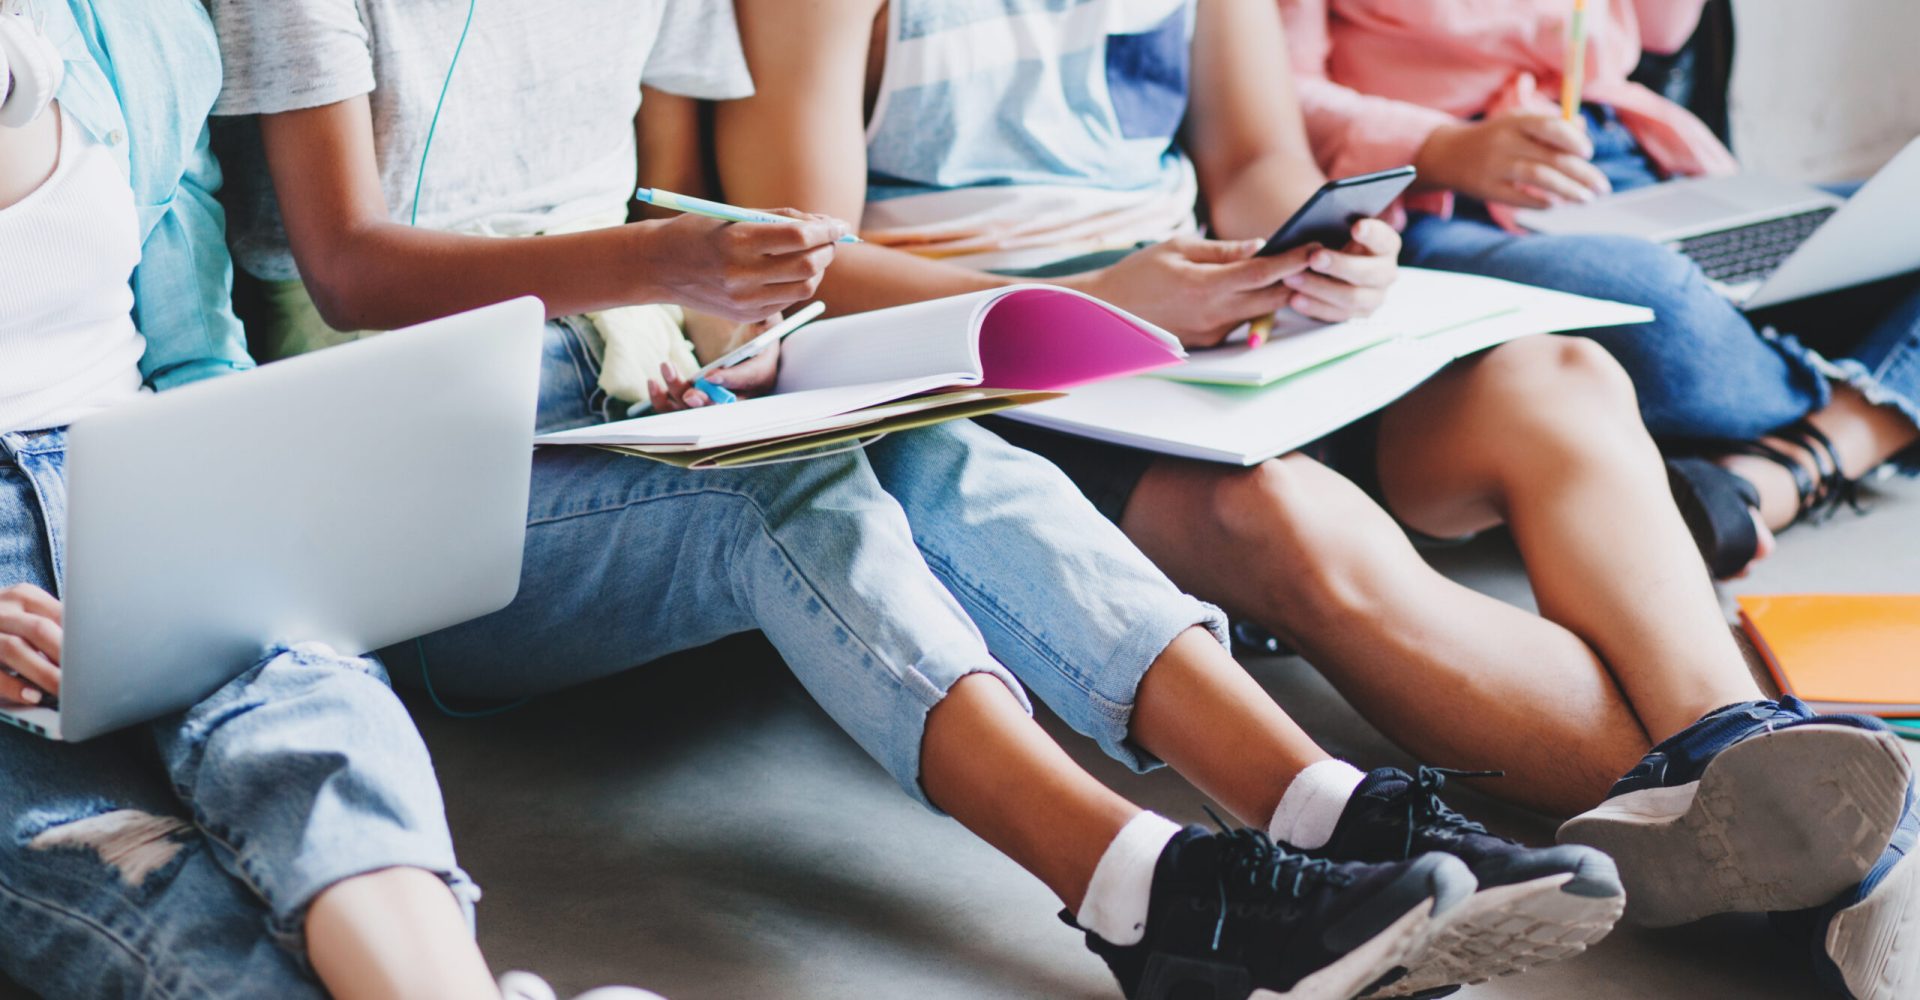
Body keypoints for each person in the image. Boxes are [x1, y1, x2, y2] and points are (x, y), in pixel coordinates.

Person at [203, 0, 1630, 996]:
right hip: (425, 477)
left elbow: (657, 189)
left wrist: (731, 296)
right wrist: (664, 269)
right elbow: (348, 269)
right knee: (779, 494)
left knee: (938, 441)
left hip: (627, 400)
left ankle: (1329, 809)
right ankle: (1150, 899)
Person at [716, 0, 1916, 986]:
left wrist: (1326, 250)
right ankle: (1838, 864)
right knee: (1286, 514)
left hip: (1212, 329)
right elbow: (792, 265)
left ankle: (1732, 742)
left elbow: (1253, 163)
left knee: (1558, 375)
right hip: (1019, 374)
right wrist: (1109, 304)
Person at [0, 2, 653, 998]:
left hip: (142, 484)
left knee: (312, 716)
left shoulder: (130, 28)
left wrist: (260, 507)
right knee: (128, 861)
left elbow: (192, 353)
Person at [1276, 0, 1920, 580]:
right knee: (1652, 303)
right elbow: (1272, 98)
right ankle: (1868, 404)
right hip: (1451, 198)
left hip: (1634, 160)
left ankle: (1789, 468)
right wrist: (1440, 145)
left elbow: (1663, 32)